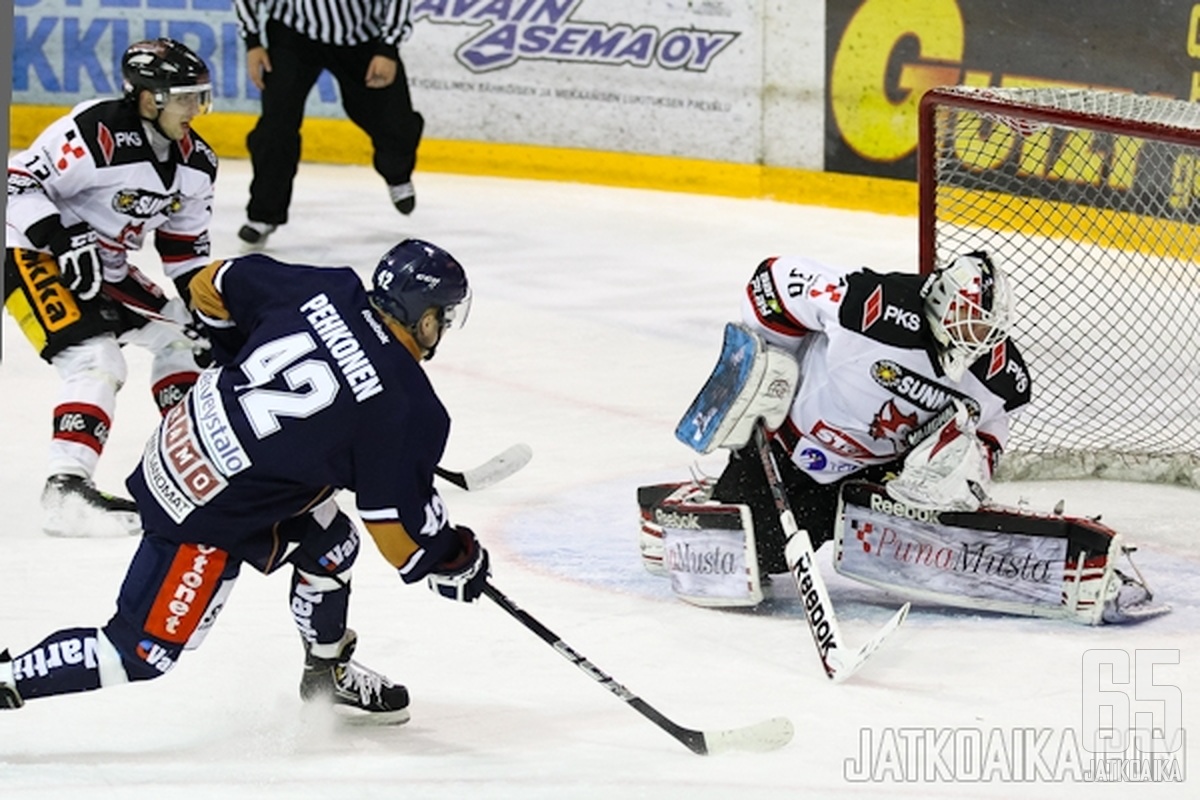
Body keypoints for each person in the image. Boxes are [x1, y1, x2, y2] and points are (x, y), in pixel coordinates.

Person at [0, 238, 490, 721]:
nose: (441, 329)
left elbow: (209, 283)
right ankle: (11, 678)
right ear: (426, 319)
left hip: (177, 444)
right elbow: (399, 539)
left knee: (331, 541)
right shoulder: (410, 407)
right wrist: (454, 559)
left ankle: (326, 673)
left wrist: (233, 349)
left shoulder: (329, 289)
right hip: (208, 512)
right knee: (137, 652)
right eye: (442, 318)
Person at [640, 250, 1031, 581]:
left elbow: (993, 420)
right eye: (971, 321)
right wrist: (775, 361)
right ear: (945, 300)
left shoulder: (995, 369)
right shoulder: (874, 307)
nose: (978, 336)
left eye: (987, 328)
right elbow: (773, 281)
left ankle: (929, 537)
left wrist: (976, 459)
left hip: (872, 479)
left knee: (954, 459)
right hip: (786, 450)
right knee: (757, 557)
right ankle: (694, 506)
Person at [5, 39, 217, 538]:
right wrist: (58, 236)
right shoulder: (94, 132)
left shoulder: (197, 162)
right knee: (96, 359)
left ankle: (185, 463)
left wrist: (204, 305)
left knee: (187, 336)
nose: (195, 109)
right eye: (184, 97)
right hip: (27, 253)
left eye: (199, 97)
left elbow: (184, 249)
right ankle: (66, 488)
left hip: (107, 272)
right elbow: (15, 182)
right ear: (149, 97)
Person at [233, 0, 425, 247]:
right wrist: (252, 41)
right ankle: (263, 214)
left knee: (394, 124)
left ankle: (397, 173)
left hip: (363, 37)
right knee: (276, 126)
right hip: (293, 34)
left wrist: (388, 47)